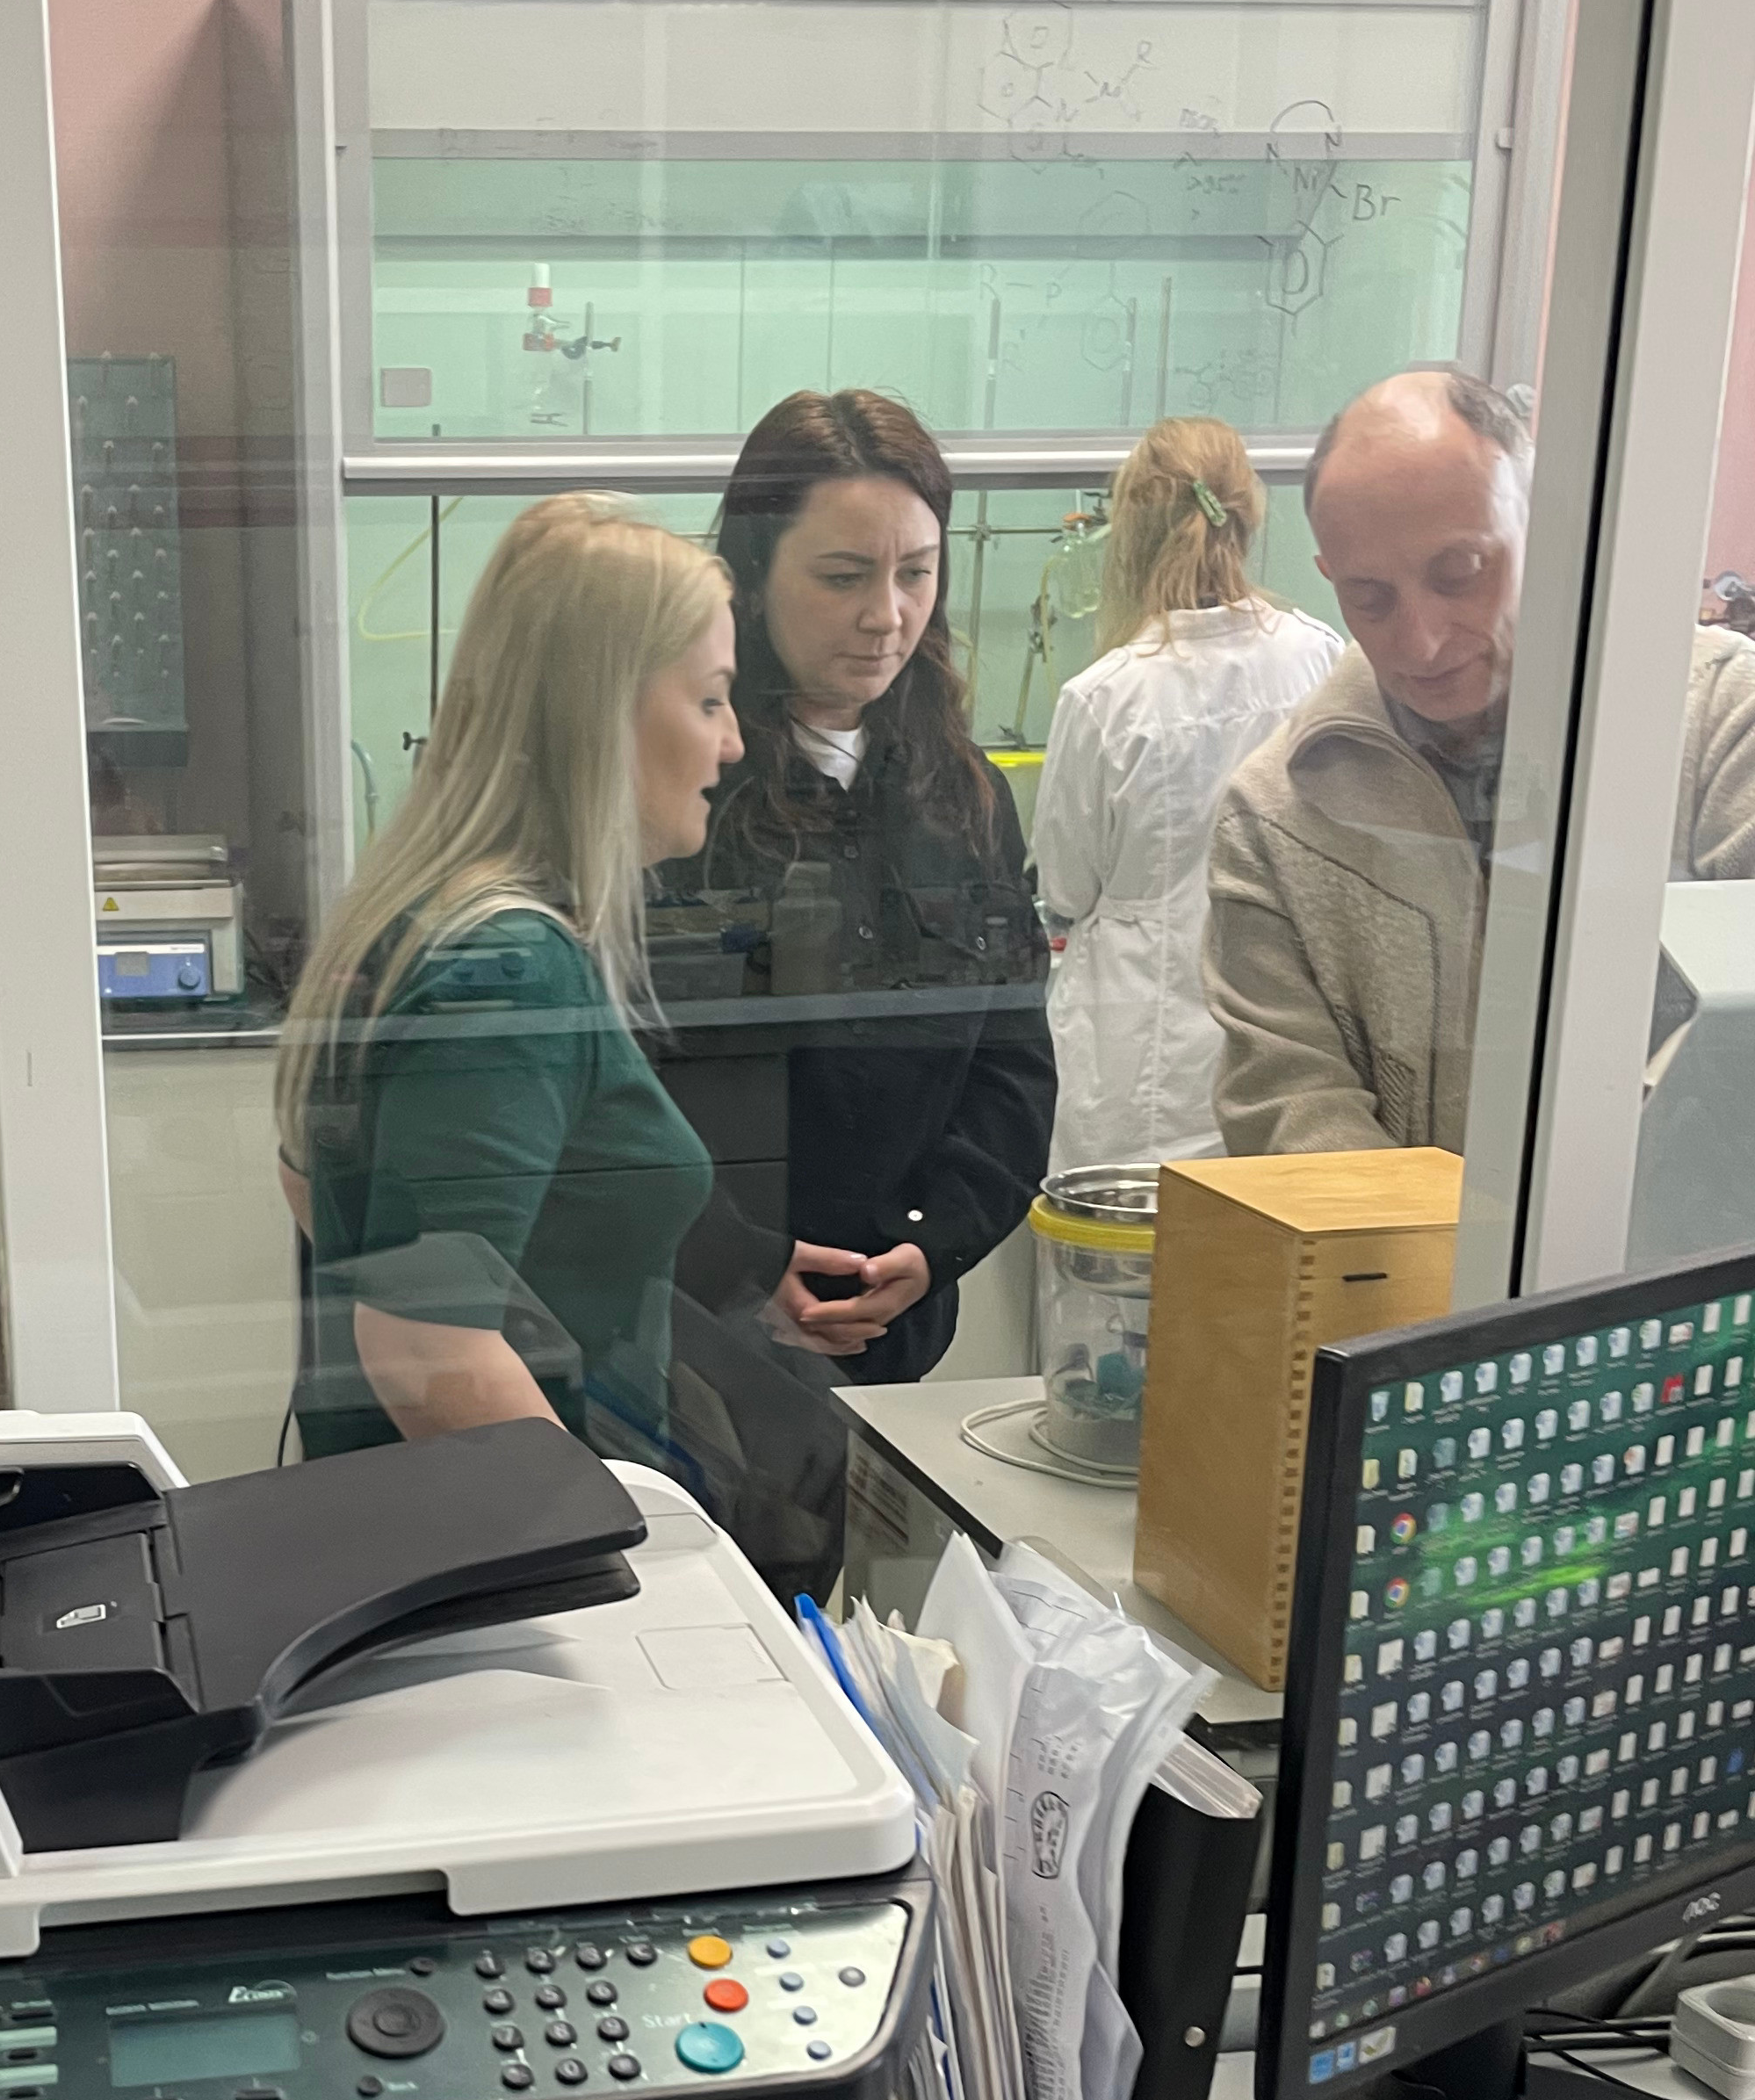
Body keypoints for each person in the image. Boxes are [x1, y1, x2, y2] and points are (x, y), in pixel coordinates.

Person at [278, 493, 867, 1475]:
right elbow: (426, 1347)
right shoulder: (510, 974)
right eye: (710, 699)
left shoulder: (426, 919)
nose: (732, 743)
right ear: (605, 715)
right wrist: (612, 1537)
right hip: (484, 1535)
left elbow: (315, 1182)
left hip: (409, 1506)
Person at [1206, 364, 1755, 1152]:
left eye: (1460, 573)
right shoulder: (1274, 815)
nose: (1422, 642)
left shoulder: (1721, 722)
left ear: (1546, 532)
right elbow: (1288, 1110)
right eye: (1370, 598)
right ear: (1328, 577)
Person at [684, 387, 1054, 1382]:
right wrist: (742, 1262)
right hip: (698, 1327)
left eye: (916, 573)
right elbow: (626, 1089)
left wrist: (929, 1245)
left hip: (897, 1318)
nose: (887, 616)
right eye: (843, 576)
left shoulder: (964, 795)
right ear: (751, 576)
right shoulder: (681, 793)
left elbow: (1013, 1068)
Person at [1031, 417, 1340, 1174]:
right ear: (1248, 517)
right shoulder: (1321, 658)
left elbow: (1065, 887)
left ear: (1131, 530)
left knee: (1125, 1239)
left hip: (1138, 1042)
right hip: (1287, 1030)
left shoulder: (1106, 696)